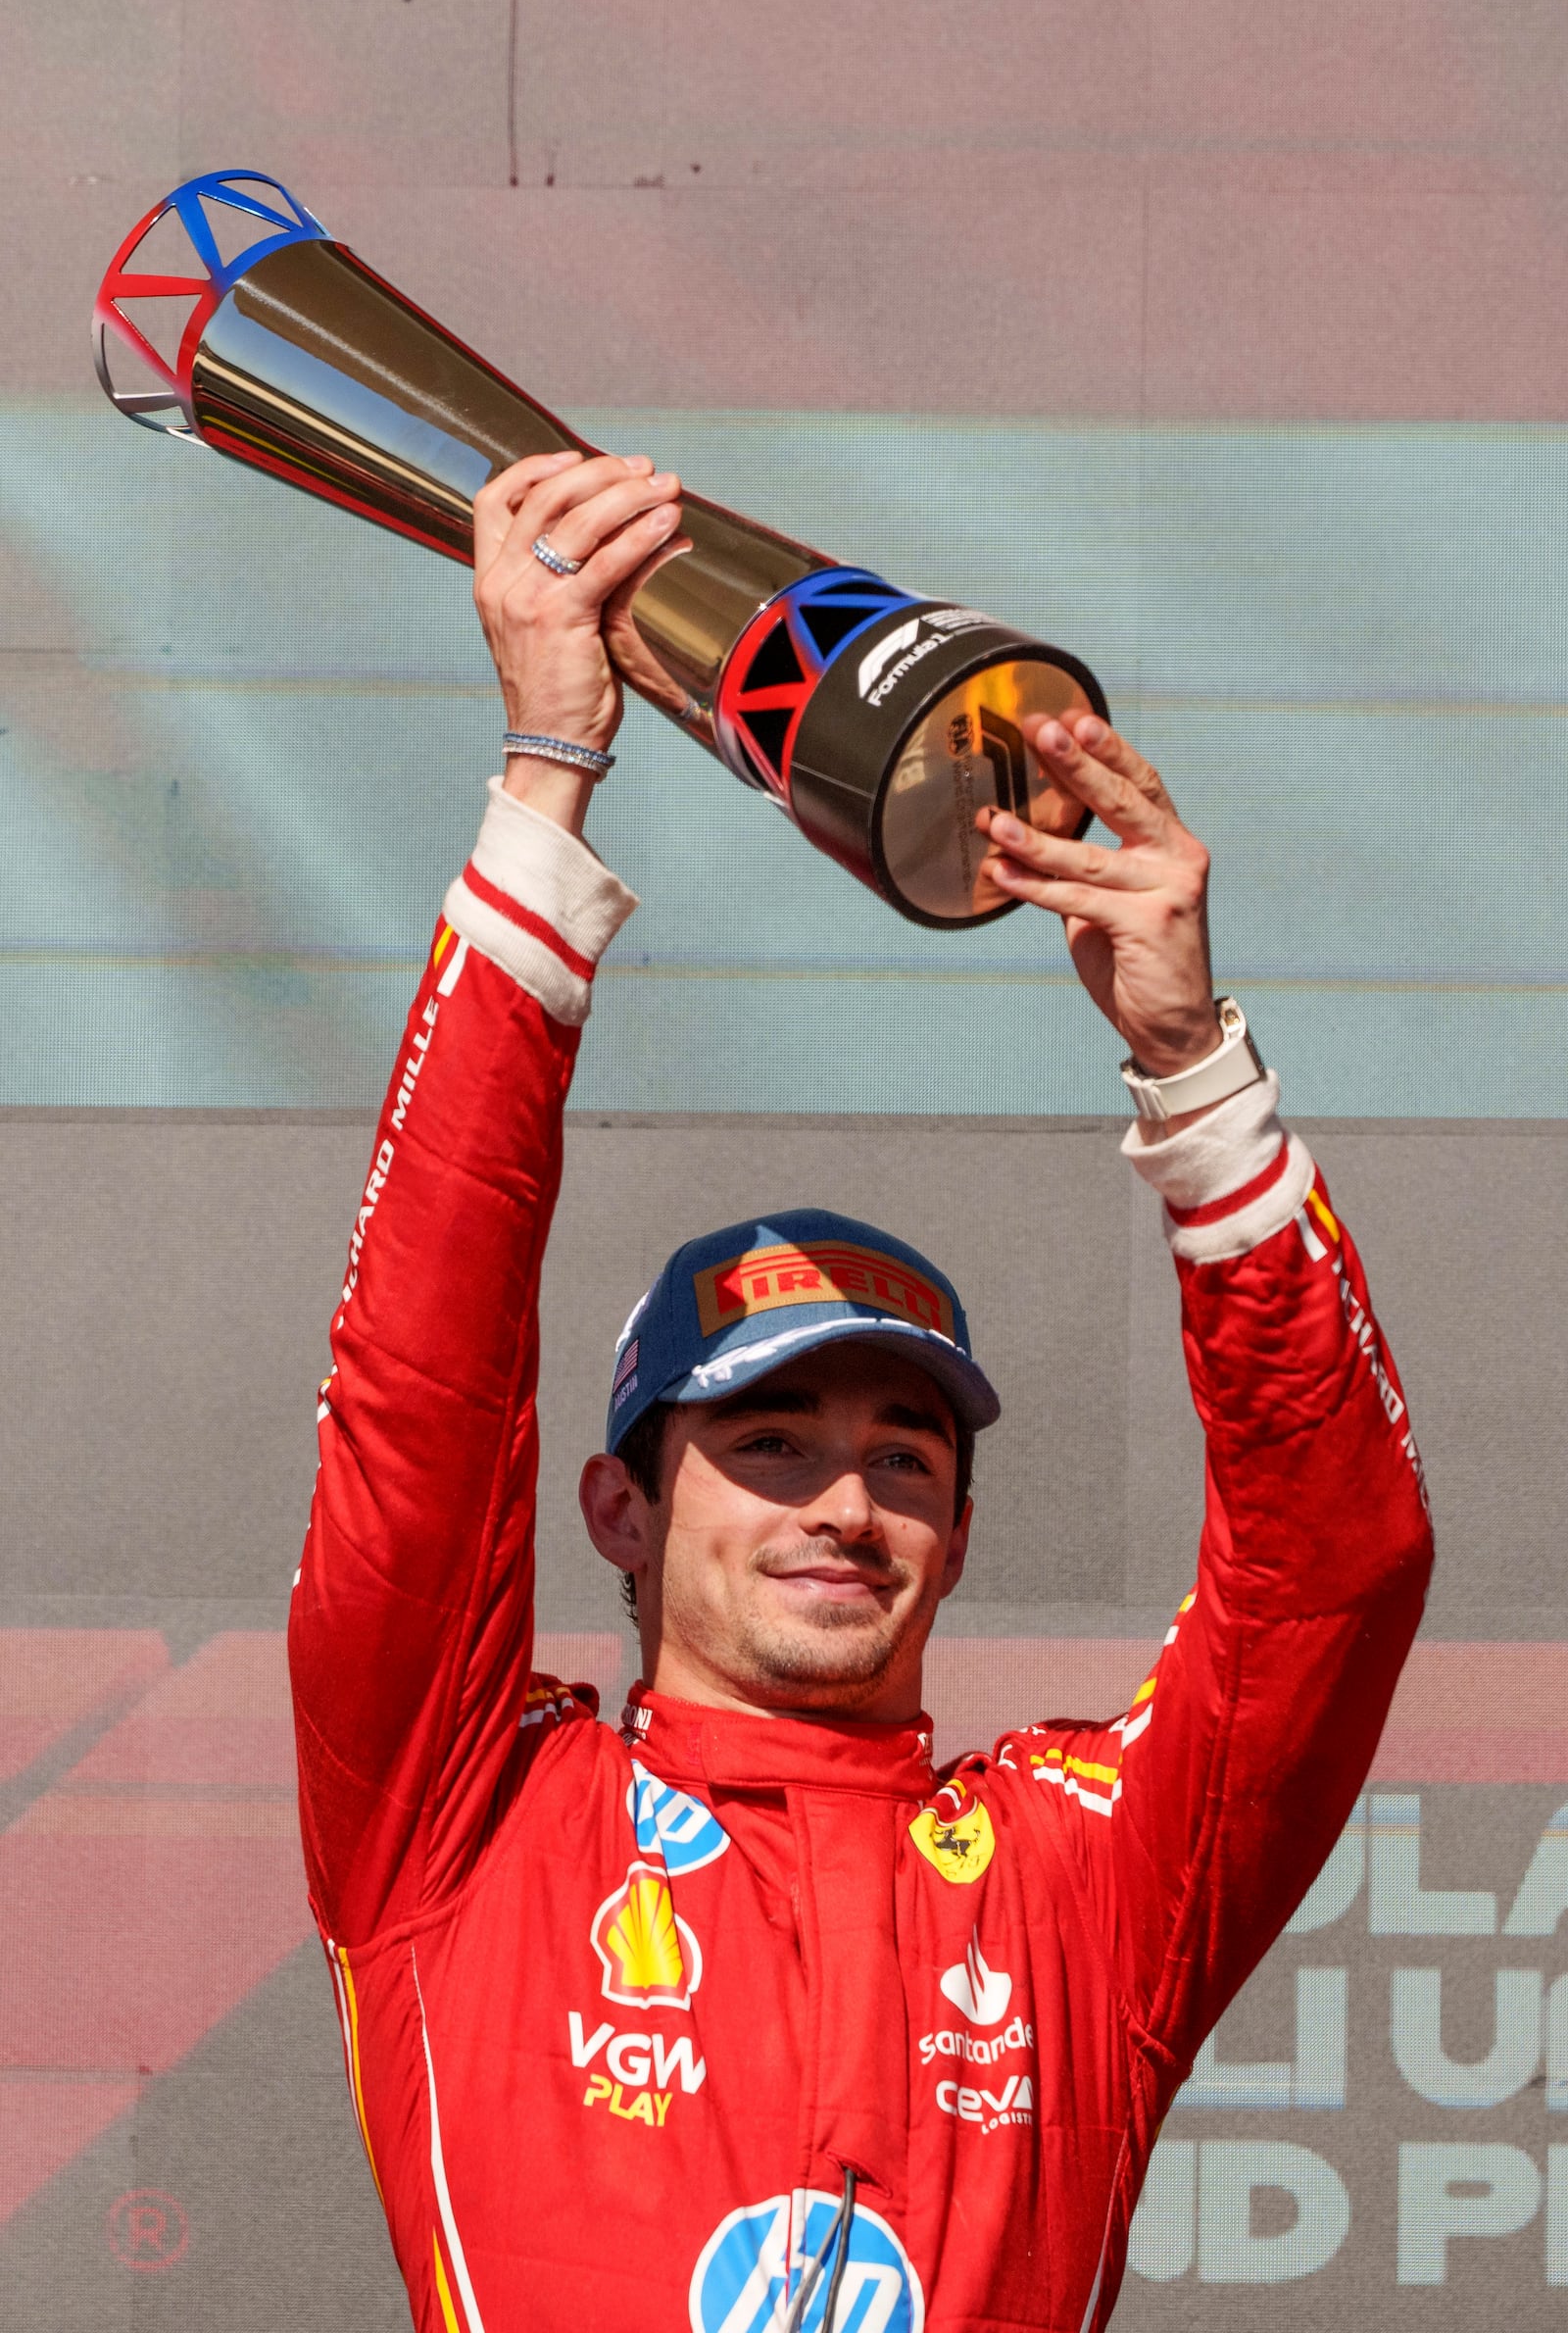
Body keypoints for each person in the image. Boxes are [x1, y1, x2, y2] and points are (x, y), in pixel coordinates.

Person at [288, 449, 1433, 2333]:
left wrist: (1192, 1074)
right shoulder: (463, 1818)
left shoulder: (1084, 1879)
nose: (844, 1501)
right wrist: (545, 789)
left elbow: (1334, 1575)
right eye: (768, 1442)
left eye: (904, 1455)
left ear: (962, 1535)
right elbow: (422, 1400)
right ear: (622, 1510)